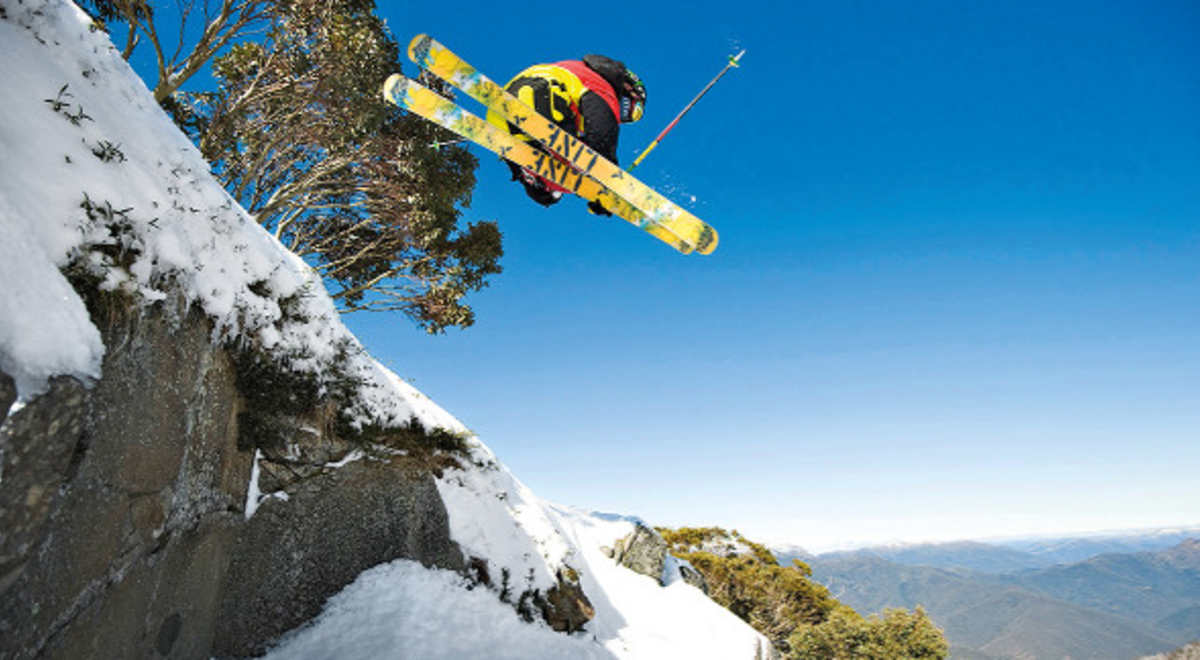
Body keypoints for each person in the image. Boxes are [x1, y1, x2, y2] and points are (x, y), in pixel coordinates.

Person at [486, 55, 647, 215]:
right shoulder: (602, 85)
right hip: (542, 98)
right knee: (581, 162)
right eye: (629, 110)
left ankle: (537, 180)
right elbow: (601, 127)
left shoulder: (571, 69)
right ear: (627, 87)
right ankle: (548, 181)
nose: (621, 117)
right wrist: (607, 178)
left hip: (500, 113)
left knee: (558, 185)